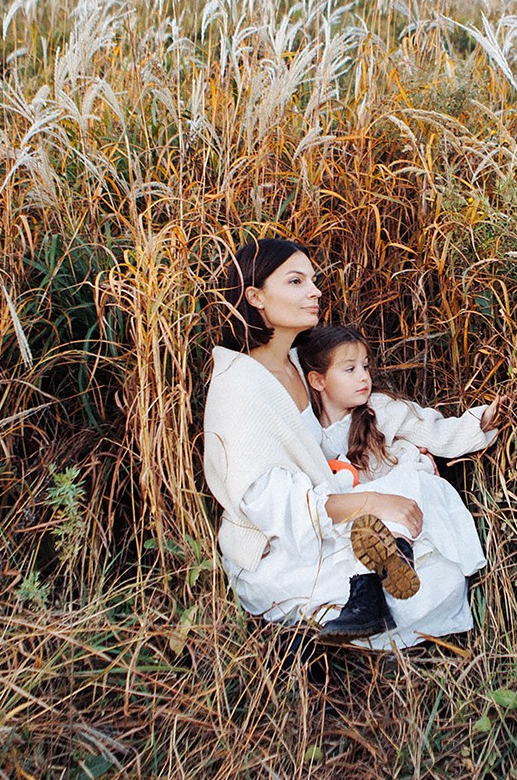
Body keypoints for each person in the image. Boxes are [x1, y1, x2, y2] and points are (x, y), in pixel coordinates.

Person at [199, 237, 496, 649]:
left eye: (314, 280)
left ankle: (376, 590)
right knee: (424, 564)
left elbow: (358, 418)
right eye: (296, 281)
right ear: (256, 296)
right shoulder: (240, 388)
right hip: (281, 547)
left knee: (424, 503)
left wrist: (417, 449)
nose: (315, 291)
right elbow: (273, 507)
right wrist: (373, 503)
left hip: (329, 509)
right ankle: (348, 608)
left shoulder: (300, 364)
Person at [295, 323, 503, 584]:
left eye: (366, 367)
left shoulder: (381, 409)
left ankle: (398, 554)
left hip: (400, 505)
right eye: (350, 369)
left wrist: (481, 421)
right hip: (360, 514)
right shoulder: (309, 432)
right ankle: (377, 570)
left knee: (410, 481)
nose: (363, 377)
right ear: (317, 380)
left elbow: (432, 431)